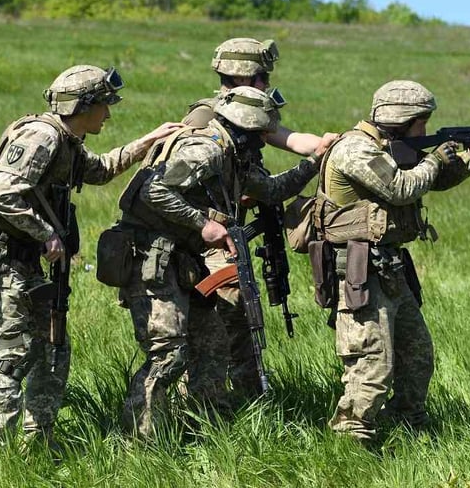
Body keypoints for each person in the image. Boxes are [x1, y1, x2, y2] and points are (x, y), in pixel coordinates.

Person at [0, 65, 179, 455]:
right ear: (84, 106)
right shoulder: (42, 137)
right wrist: (47, 234)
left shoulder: (67, 141)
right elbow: (1, 192)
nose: (108, 115)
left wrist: (149, 141)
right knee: (14, 356)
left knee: (53, 349)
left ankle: (39, 442)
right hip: (1, 260)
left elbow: (102, 170)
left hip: (25, 262)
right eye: (104, 106)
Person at [116, 86, 326, 437]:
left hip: (181, 259)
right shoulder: (207, 151)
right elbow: (153, 190)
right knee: (168, 355)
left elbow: (271, 190)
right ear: (245, 128)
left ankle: (208, 428)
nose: (265, 140)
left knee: (213, 343)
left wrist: (314, 163)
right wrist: (203, 223)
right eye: (261, 133)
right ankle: (142, 441)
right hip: (150, 258)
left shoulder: (232, 154)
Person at [312, 80, 470, 443]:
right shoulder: (355, 149)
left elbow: (434, 180)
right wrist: (435, 158)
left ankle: (409, 427)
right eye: (422, 123)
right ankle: (349, 442)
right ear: (402, 120)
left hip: (390, 269)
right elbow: (401, 188)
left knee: (417, 355)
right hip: (360, 272)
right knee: (372, 367)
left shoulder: (392, 147)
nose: (425, 131)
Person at [181, 38, 337, 405]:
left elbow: (293, 140)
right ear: (243, 76)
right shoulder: (208, 118)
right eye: (262, 76)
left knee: (240, 317)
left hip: (227, 234)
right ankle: (209, 400)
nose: (267, 83)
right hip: (205, 237)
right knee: (226, 318)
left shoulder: (249, 111)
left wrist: (336, 145)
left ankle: (240, 397)